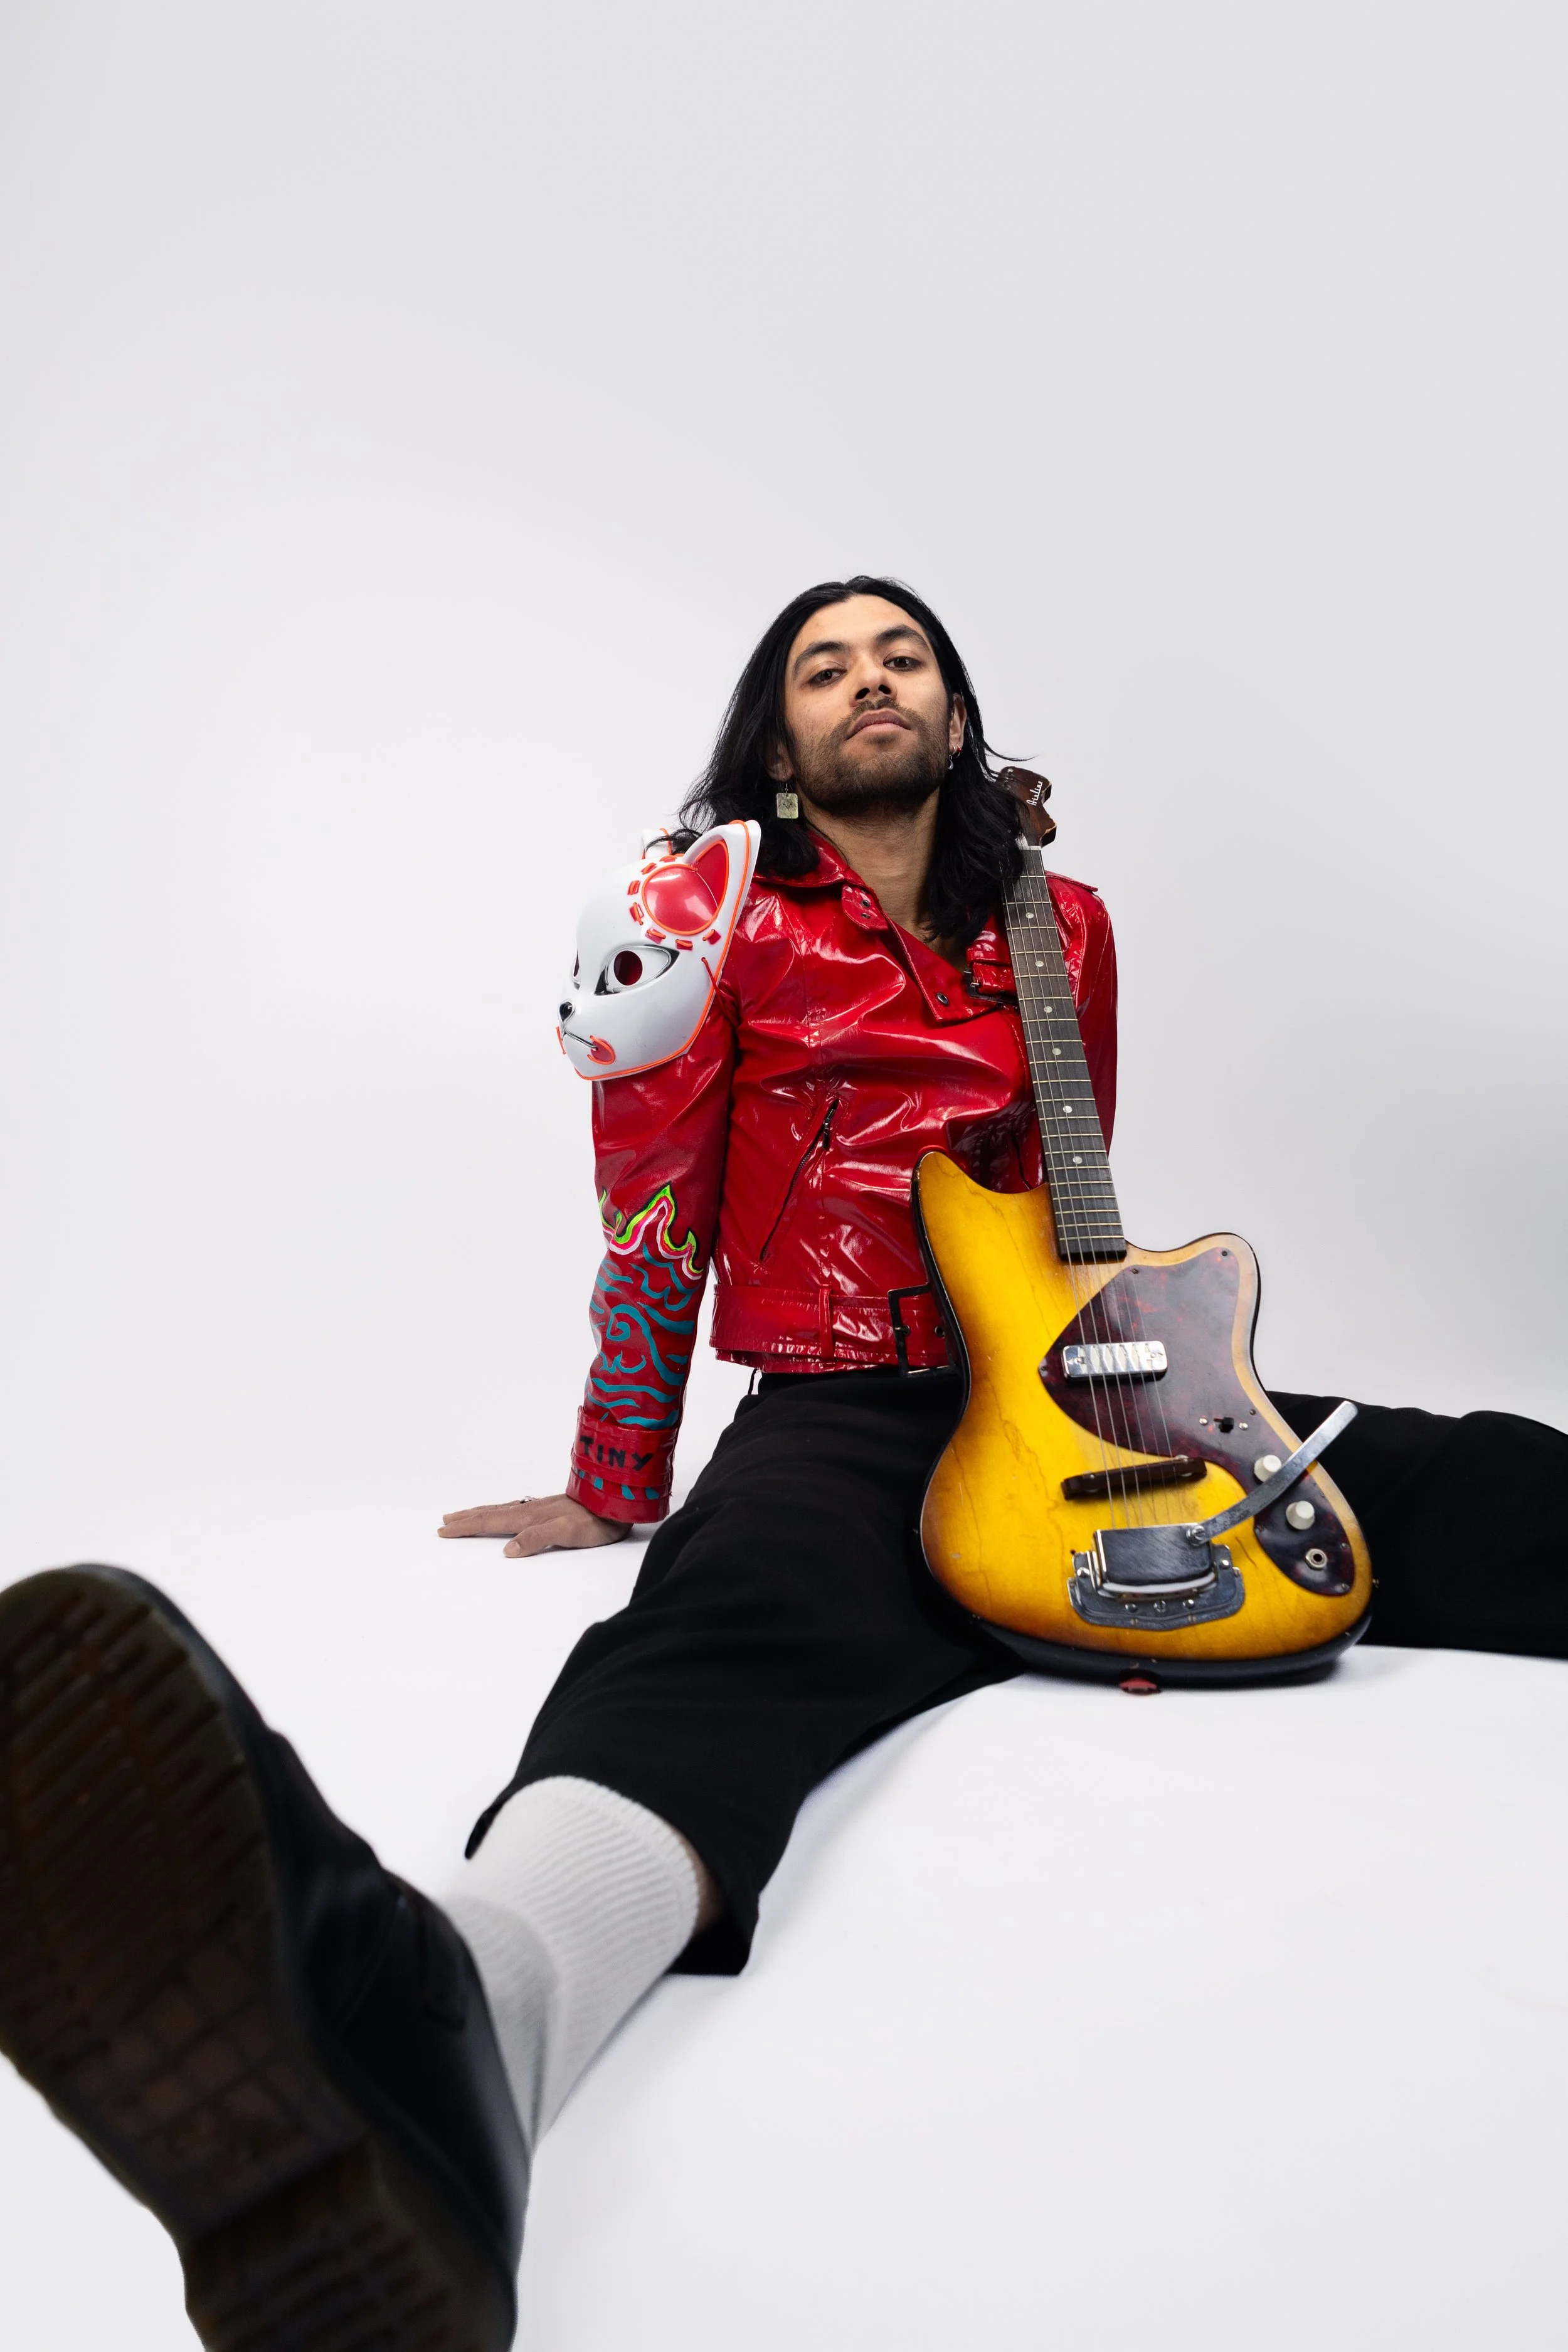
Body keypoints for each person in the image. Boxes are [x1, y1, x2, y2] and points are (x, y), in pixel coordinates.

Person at [1, 578, 1562, 2352]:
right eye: (825, 665)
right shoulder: (708, 927)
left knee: (1461, 1477)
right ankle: (458, 2026)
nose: (868, 680)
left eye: (903, 656)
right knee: (705, 1654)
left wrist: (1140, 1486)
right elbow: (655, 1214)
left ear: (955, 718)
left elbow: (1075, 1187)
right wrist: (618, 1470)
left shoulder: (1067, 923)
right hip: (834, 1407)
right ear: (777, 740)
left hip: (1074, 1378)